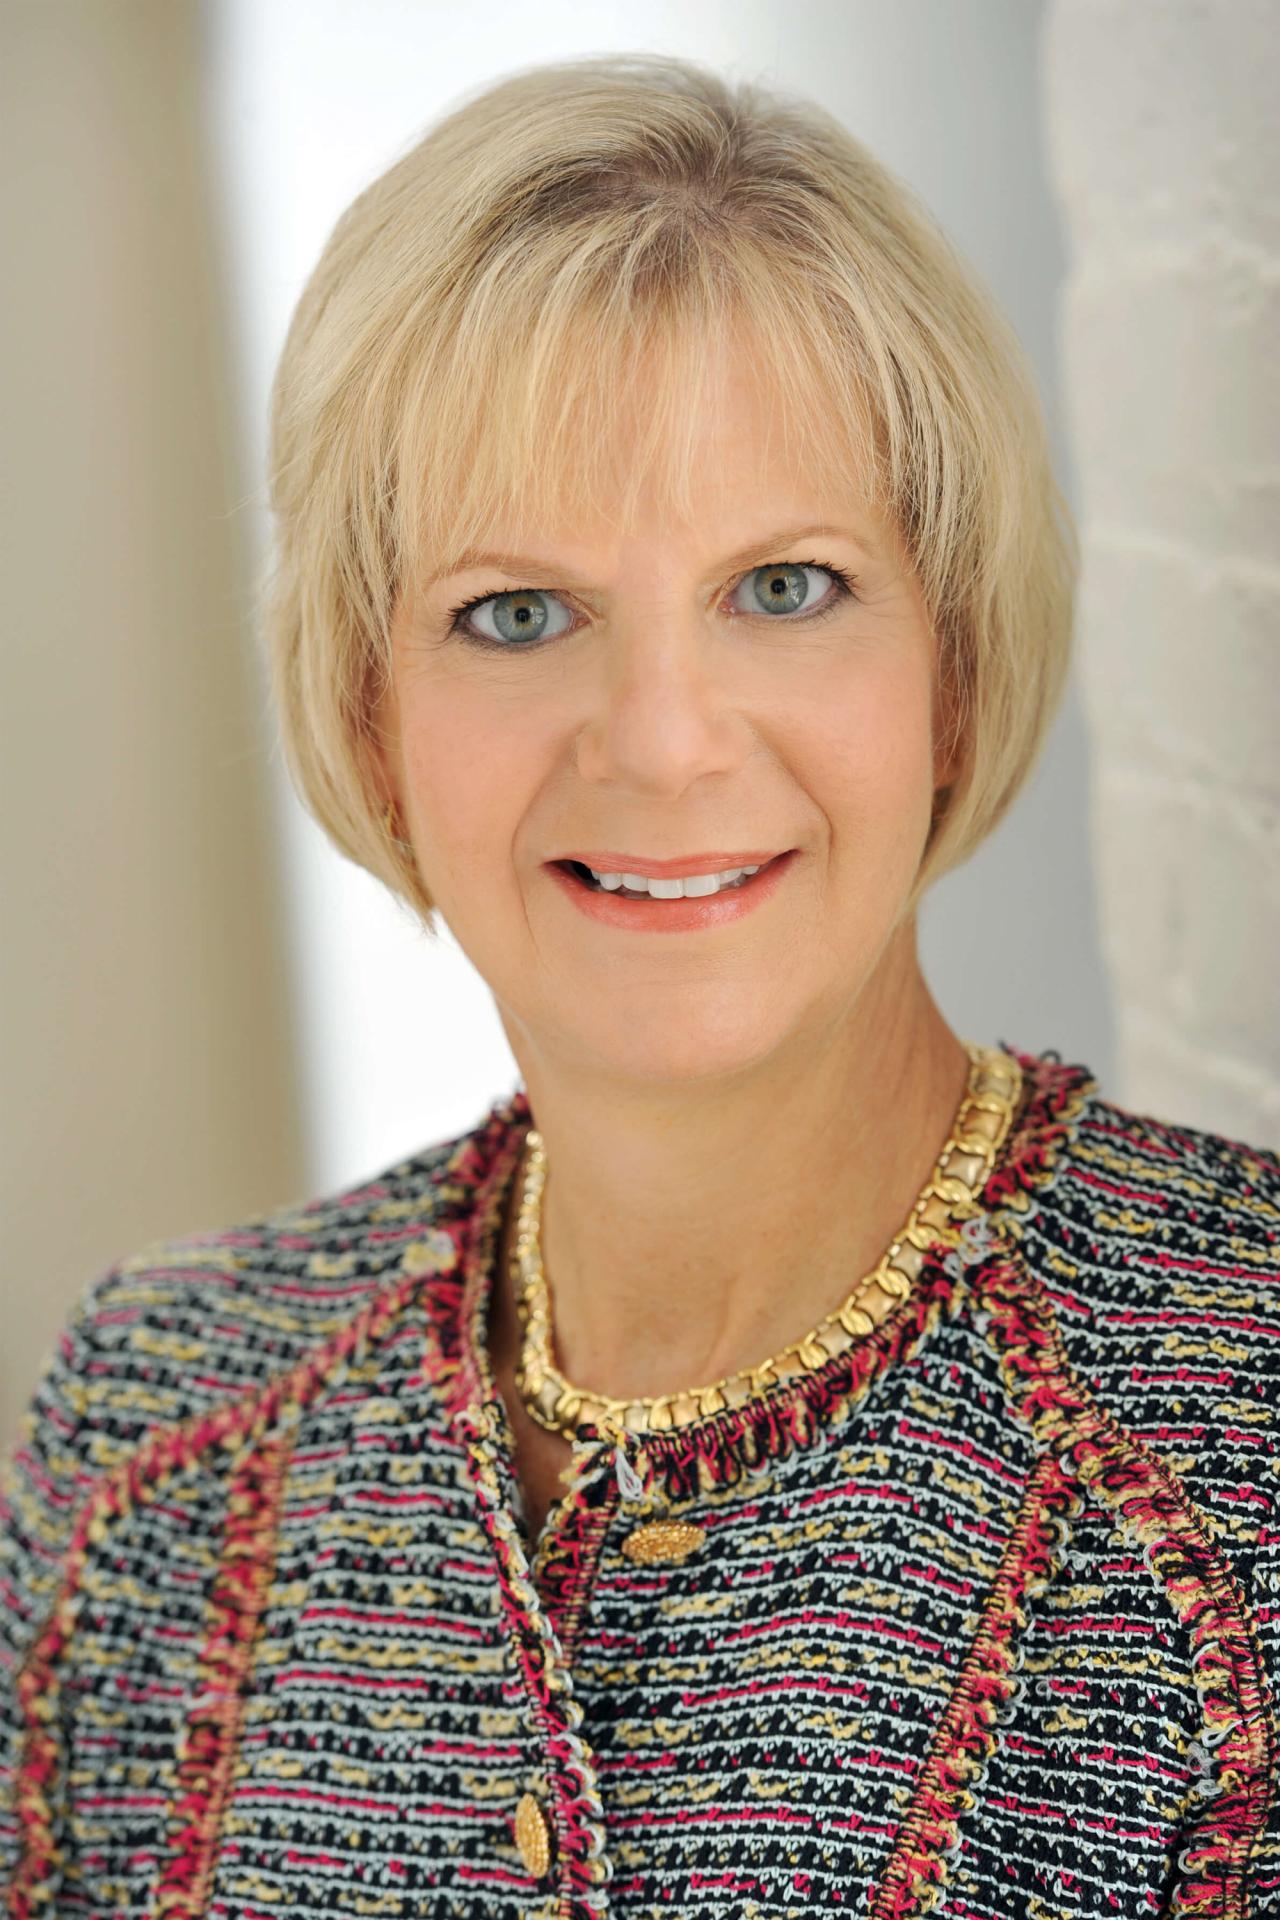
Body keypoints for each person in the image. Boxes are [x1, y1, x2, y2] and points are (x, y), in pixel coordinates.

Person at [2, 49, 1276, 1920]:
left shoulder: (1235, 1442)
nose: (664, 745)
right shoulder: (151, 1430)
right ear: (376, 715)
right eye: (518, 614)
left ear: (953, 661)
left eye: (786, 587)